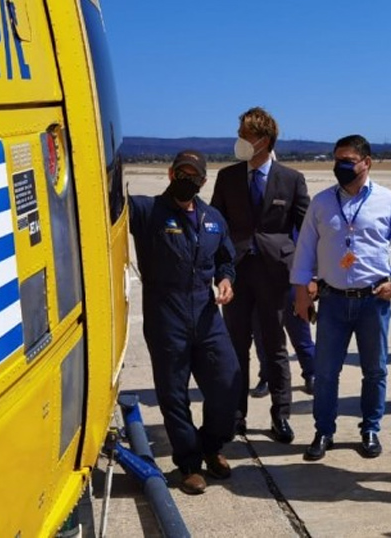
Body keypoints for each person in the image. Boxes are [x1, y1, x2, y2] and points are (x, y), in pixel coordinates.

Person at [292, 134, 391, 461]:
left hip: (373, 301)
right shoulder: (321, 202)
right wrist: (302, 292)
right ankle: (323, 431)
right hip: (332, 301)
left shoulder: (387, 200)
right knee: (325, 372)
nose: (340, 166)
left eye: (347, 161)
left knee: (375, 370)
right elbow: (305, 249)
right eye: (337, 160)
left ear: (366, 163)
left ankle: (370, 429)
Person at [128, 150, 241, 495]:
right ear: (170, 173)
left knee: (228, 383)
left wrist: (226, 279)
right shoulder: (147, 211)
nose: (186, 180)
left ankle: (212, 445)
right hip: (166, 315)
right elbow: (109, 202)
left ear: (203, 181)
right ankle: (189, 464)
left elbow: (226, 259)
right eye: (181, 173)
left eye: (193, 176)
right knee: (174, 394)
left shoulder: (213, 218)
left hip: (206, 315)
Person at [210, 107, 310, 444]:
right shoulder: (228, 177)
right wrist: (217, 269)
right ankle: (236, 415)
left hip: (275, 274)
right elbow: (216, 225)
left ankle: (281, 415)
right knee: (236, 346)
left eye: (245, 135)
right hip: (236, 273)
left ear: (264, 140)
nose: (239, 140)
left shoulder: (291, 179)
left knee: (275, 346)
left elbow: (306, 231)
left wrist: (309, 276)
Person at [251, 285, 317, 398]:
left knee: (301, 338)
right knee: (263, 339)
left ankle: (312, 374)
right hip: (261, 288)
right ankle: (267, 377)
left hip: (291, 285)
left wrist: (311, 282)